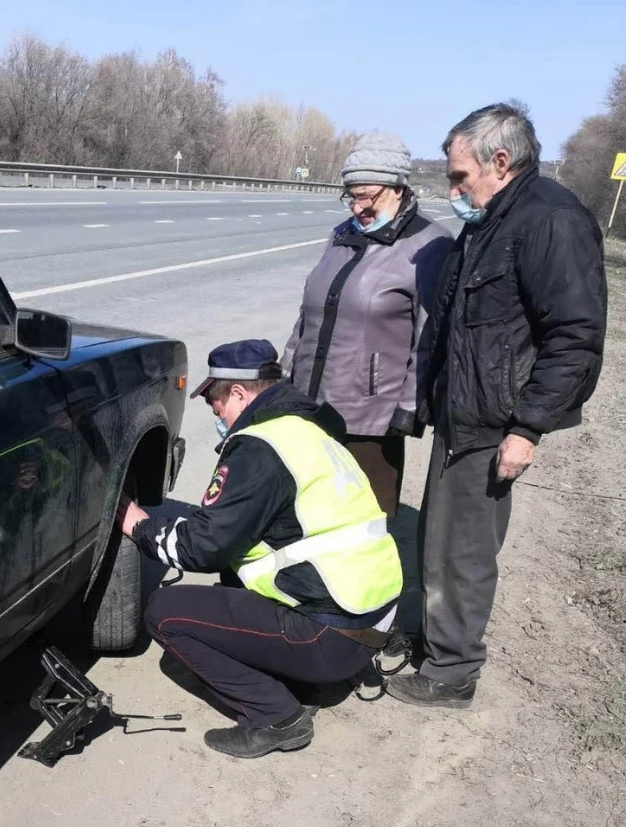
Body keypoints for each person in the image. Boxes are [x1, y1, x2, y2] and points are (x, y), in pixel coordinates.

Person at [385, 103, 608, 708]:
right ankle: (435, 641)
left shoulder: (551, 221)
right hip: (464, 412)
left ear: (500, 162)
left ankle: (451, 672)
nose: (453, 189)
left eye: (459, 176)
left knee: (464, 551)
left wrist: (529, 426)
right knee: (438, 538)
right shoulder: (492, 217)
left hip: (495, 420)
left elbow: (575, 336)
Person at [116, 339, 403, 758]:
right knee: (228, 585)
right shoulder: (307, 429)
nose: (214, 412)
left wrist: (138, 525)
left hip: (329, 638)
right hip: (370, 623)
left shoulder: (258, 447)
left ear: (237, 392)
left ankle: (277, 717)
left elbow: (200, 548)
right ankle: (307, 678)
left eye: (215, 399)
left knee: (166, 612)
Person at [281, 131, 454, 519]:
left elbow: (430, 339)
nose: (357, 207)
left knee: (361, 529)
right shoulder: (342, 235)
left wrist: (409, 409)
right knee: (303, 518)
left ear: (398, 188)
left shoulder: (430, 245)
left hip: (371, 420)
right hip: (309, 405)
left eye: (366, 196)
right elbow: (310, 315)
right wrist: (284, 376)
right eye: (351, 195)